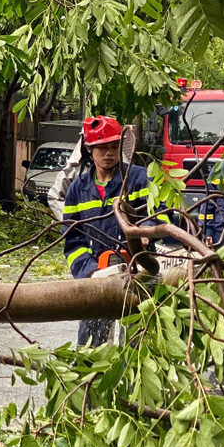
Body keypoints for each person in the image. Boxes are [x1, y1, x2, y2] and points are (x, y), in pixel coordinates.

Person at [61, 115, 158, 347]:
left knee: (136, 349)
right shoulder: (78, 189)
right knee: (91, 348)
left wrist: (146, 231)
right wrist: (90, 271)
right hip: (98, 277)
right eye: (102, 148)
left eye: (114, 147)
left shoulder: (138, 179)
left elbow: (161, 213)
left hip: (138, 273)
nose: (109, 154)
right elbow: (73, 241)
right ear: (89, 149)